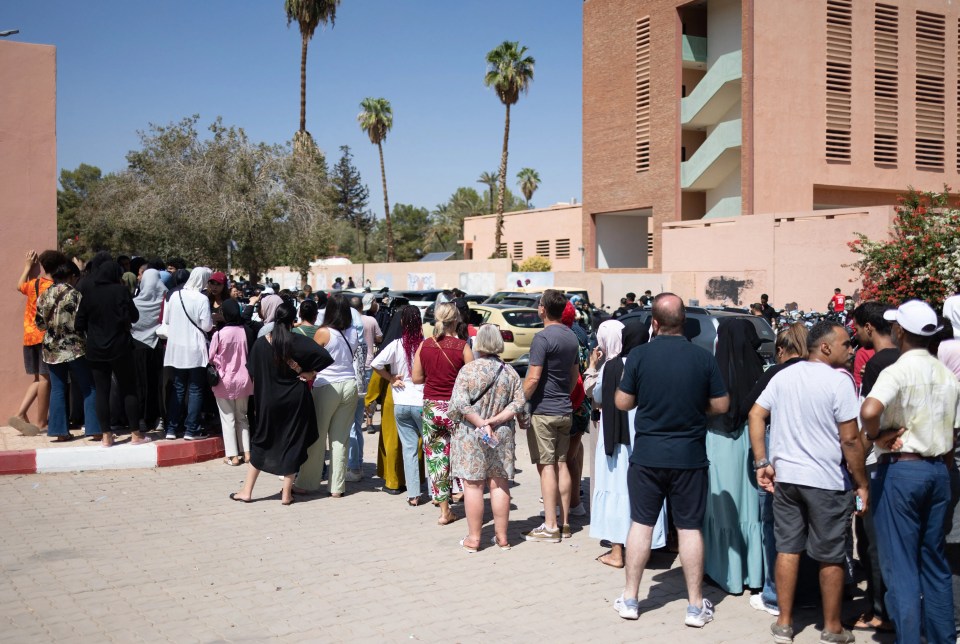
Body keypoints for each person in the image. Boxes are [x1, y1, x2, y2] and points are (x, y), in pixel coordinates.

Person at [613, 293, 729, 626]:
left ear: (654, 322)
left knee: (641, 524)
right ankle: (695, 606)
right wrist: (695, 407)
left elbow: (623, 402)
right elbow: (721, 405)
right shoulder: (703, 357)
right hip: (689, 457)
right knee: (690, 528)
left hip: (647, 455)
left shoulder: (639, 356)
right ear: (683, 323)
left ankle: (632, 599)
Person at [748, 320, 866, 644]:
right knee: (830, 553)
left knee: (788, 548)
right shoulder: (839, 382)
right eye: (846, 344)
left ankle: (784, 624)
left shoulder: (784, 375)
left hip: (787, 480)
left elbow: (755, 413)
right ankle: (832, 627)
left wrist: (763, 461)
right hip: (826, 481)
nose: (851, 350)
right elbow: (851, 440)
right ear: (825, 347)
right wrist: (862, 482)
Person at [861, 300, 960, 644]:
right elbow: (953, 434)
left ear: (900, 331)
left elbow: (870, 408)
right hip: (938, 471)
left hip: (902, 471)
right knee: (934, 564)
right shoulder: (946, 375)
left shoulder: (898, 371)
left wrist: (875, 436)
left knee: (900, 569)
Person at [231, 302, 333, 505]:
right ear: (292, 320)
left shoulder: (260, 344)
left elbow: (252, 372)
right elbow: (325, 357)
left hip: (268, 401)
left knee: (262, 441)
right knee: (293, 443)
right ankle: (286, 494)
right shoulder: (298, 341)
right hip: (295, 399)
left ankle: (247, 491)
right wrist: (309, 372)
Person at [741, 322, 809, 617]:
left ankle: (774, 593)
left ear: (781, 350)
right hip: (815, 460)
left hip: (778, 455)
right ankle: (807, 590)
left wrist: (760, 460)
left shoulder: (775, 373)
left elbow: (751, 409)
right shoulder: (822, 372)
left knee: (774, 524)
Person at [591, 318, 667, 568]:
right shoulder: (652, 364)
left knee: (615, 487)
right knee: (644, 491)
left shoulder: (611, 366)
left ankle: (616, 551)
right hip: (645, 438)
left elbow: (599, 396)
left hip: (615, 439)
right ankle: (647, 547)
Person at [448, 324, 527, 551]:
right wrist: (497, 420)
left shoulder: (469, 370)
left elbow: (459, 404)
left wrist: (482, 423)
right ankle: (502, 538)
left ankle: (474, 539)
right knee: (499, 483)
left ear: (478, 343)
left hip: (472, 433)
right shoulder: (510, 372)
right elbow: (519, 403)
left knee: (473, 486)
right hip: (501, 433)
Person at [849, 301, 897, 633]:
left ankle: (880, 612)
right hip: (912, 461)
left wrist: (856, 465)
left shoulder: (879, 363)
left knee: (872, 543)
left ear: (869, 327)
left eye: (856, 328)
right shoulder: (911, 358)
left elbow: (869, 418)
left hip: (878, 461)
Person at [522, 289, 579, 543]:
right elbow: (573, 376)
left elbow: (533, 377)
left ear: (543, 309)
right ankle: (565, 523)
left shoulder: (542, 338)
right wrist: (563, 396)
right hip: (564, 409)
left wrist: (519, 399)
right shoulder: (571, 337)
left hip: (544, 410)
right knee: (563, 463)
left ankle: (550, 526)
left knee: (546, 467)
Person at [75, 260, 151, 447]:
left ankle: (106, 436)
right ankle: (135, 434)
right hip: (120, 348)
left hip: (96, 350)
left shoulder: (89, 294)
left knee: (102, 391)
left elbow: (78, 324)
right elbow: (134, 316)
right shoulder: (121, 291)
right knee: (128, 389)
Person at [413, 302, 474, 525]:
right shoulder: (462, 347)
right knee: (462, 456)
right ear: (456, 320)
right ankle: (470, 501)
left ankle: (444, 511)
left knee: (437, 459)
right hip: (455, 408)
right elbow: (473, 382)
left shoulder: (425, 346)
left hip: (431, 407)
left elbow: (416, 378)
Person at [295, 293, 360, 498]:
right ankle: (337, 487)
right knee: (341, 439)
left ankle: (306, 482)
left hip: (327, 386)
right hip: (350, 384)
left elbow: (312, 359)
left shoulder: (323, 332)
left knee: (318, 436)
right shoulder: (352, 333)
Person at [35, 261, 99, 442]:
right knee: (88, 387)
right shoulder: (76, 295)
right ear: (71, 276)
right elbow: (83, 321)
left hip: (51, 348)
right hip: (75, 347)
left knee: (58, 388)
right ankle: (94, 429)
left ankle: (58, 431)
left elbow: (39, 324)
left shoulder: (44, 295)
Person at [370, 305, 424, 502]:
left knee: (406, 448)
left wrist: (391, 377)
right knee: (428, 446)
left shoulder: (395, 345)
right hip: (422, 400)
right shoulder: (426, 345)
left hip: (400, 400)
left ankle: (413, 494)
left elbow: (375, 364)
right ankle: (438, 494)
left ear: (402, 323)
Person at [11, 249, 64, 436]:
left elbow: (19, 286)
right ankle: (40, 422)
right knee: (45, 379)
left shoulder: (34, 284)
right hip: (44, 337)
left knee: (38, 378)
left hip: (29, 336)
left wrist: (27, 267)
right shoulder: (54, 287)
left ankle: (21, 413)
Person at [162, 266, 214, 441]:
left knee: (178, 388)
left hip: (176, 348)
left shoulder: (174, 296)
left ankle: (171, 428)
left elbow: (167, 321)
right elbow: (207, 326)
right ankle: (192, 429)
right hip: (195, 349)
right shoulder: (201, 298)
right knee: (195, 389)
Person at [209, 299, 253, 466]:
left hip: (224, 381)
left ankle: (233, 456)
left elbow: (211, 357)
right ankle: (247, 453)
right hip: (244, 380)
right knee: (243, 416)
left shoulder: (219, 334)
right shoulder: (246, 331)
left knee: (228, 418)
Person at [346, 295, 383, 480]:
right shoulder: (371, 320)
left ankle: (354, 466)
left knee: (352, 423)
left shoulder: (347, 323)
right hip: (369, 366)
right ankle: (357, 463)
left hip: (354, 372)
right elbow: (379, 338)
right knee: (360, 415)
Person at [131, 268, 168, 432]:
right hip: (158, 346)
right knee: (158, 384)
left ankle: (141, 419)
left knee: (140, 384)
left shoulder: (134, 302)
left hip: (137, 347)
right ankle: (159, 418)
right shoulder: (165, 300)